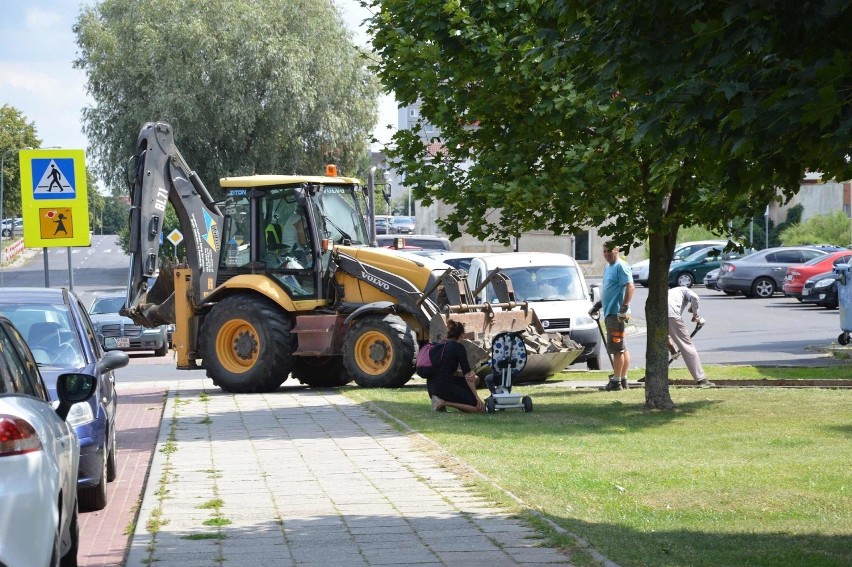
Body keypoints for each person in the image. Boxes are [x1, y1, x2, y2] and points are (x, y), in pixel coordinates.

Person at [590, 241, 634, 391]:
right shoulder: (609, 267)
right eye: (604, 252)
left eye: (610, 251)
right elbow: (610, 291)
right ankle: (623, 379)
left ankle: (616, 382)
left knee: (617, 349)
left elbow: (630, 286)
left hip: (617, 314)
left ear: (617, 250)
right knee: (622, 347)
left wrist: (624, 308)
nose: (607, 254)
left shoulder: (621, 266)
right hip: (611, 312)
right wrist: (598, 306)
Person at [429, 320, 485, 413]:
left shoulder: (439, 346)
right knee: (478, 409)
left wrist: (470, 374)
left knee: (476, 378)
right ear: (462, 334)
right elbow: (468, 376)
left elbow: (450, 371)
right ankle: (443, 402)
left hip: (432, 387)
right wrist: (477, 398)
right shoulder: (458, 347)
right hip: (445, 388)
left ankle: (440, 399)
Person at [668, 286, 714, 387]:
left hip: (658, 314)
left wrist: (672, 350)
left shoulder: (669, 293)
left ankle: (653, 375)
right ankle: (701, 379)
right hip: (672, 315)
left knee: (658, 343)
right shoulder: (684, 290)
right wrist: (695, 315)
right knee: (687, 346)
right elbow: (695, 298)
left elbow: (665, 337)